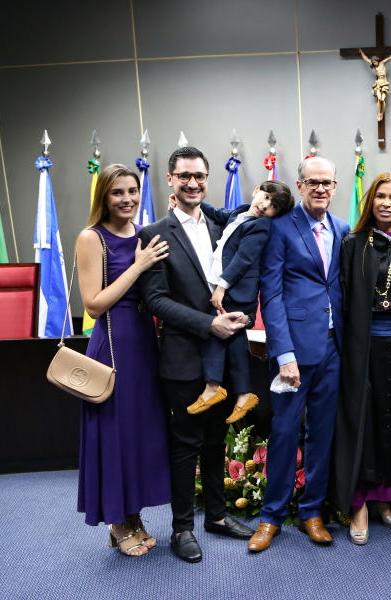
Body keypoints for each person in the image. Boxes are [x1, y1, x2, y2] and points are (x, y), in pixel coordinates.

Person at [138, 147, 255, 564]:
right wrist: (209, 324)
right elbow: (155, 299)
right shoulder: (154, 233)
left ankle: (217, 517)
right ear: (170, 179)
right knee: (186, 442)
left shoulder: (223, 222)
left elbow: (244, 264)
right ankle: (182, 527)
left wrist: (239, 313)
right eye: (184, 176)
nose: (193, 183)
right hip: (185, 354)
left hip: (224, 352)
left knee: (216, 438)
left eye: (200, 176)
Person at [249, 156, 351, 552]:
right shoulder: (280, 227)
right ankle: (271, 516)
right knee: (285, 431)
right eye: (313, 182)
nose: (320, 188)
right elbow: (271, 294)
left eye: (327, 182)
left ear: (335, 186)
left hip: (334, 348)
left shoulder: (342, 228)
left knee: (322, 433)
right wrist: (284, 354)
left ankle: (312, 512)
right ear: (300, 185)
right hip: (293, 351)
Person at [76, 164, 172, 557]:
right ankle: (116, 523)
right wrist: (138, 266)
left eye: (132, 191)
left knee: (138, 435)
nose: (127, 199)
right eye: (117, 192)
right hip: (113, 348)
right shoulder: (92, 237)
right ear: (104, 196)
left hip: (145, 346)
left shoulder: (143, 234)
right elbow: (93, 305)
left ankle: (133, 516)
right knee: (114, 435)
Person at [332, 173, 391, 545]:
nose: (387, 203)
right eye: (380, 196)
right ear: (370, 201)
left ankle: (385, 496)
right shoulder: (352, 243)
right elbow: (343, 299)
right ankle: (359, 503)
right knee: (363, 423)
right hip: (362, 348)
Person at [178, 181, 294, 423]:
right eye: (266, 197)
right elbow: (216, 212)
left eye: (274, 206)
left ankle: (214, 386)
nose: (266, 205)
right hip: (226, 287)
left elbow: (243, 259)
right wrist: (185, 201)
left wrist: (221, 287)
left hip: (236, 290)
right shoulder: (240, 211)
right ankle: (242, 393)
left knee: (217, 332)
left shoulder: (261, 225)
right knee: (233, 339)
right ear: (256, 191)